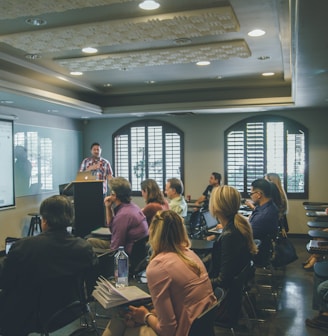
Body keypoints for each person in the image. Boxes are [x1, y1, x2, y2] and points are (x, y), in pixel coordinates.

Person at [101, 210, 217, 336]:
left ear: (153, 233)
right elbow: (180, 303)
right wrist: (150, 314)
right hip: (198, 327)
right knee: (124, 319)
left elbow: (168, 330)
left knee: (126, 327)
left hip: (184, 330)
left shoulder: (158, 266)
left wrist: (145, 316)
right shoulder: (190, 255)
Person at [0, 195, 98, 336]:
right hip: (69, 311)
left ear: (44, 220)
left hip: (27, 317)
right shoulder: (84, 247)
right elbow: (91, 279)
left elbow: (5, 280)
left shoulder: (23, 247)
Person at [204, 185, 258, 324]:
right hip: (231, 298)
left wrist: (198, 283)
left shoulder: (230, 235)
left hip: (222, 305)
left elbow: (223, 280)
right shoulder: (236, 226)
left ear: (217, 207)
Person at [87, 177, 148, 254]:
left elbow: (115, 248)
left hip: (125, 254)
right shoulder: (133, 207)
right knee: (90, 240)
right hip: (136, 252)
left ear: (114, 195)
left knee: (87, 244)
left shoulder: (123, 215)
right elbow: (112, 229)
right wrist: (108, 207)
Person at [247, 178, 279, 266]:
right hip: (261, 244)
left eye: (251, 193)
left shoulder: (265, 215)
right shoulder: (265, 206)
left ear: (258, 195)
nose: (250, 196)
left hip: (258, 250)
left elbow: (247, 233)